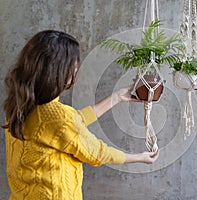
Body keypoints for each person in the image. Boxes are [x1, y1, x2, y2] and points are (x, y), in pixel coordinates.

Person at [2, 30, 159, 200]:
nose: (77, 69)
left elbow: (71, 124)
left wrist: (116, 98)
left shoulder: (18, 107)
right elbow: (97, 152)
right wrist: (139, 157)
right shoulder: (57, 117)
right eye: (74, 65)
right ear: (59, 70)